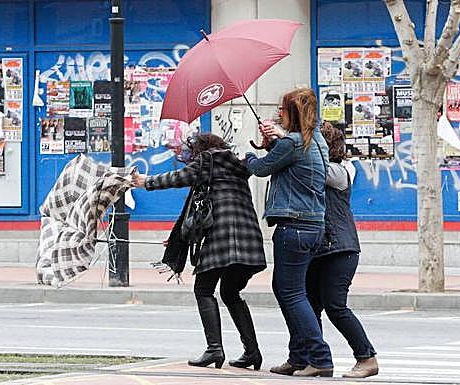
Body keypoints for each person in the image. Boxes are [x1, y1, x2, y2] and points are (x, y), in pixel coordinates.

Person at [133, 133, 266, 370]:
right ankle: (252, 352)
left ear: (201, 148)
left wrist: (146, 182)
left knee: (203, 289)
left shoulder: (207, 161)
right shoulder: (238, 164)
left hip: (223, 238)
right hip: (250, 239)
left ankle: (215, 349)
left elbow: (177, 177)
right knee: (230, 291)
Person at [245, 87, 333, 377]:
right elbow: (288, 162)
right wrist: (273, 141)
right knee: (292, 291)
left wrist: (247, 156)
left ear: (291, 113)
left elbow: (260, 169)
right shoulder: (316, 141)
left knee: (291, 292)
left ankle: (319, 358)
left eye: (280, 111)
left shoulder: (293, 143)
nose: (277, 115)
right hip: (313, 226)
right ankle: (298, 357)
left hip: (293, 227)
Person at [306, 122, 378, 378]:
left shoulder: (337, 171)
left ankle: (366, 357)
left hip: (340, 248)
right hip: (319, 248)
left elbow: (314, 169)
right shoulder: (322, 168)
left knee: (335, 305)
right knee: (310, 305)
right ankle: (314, 359)